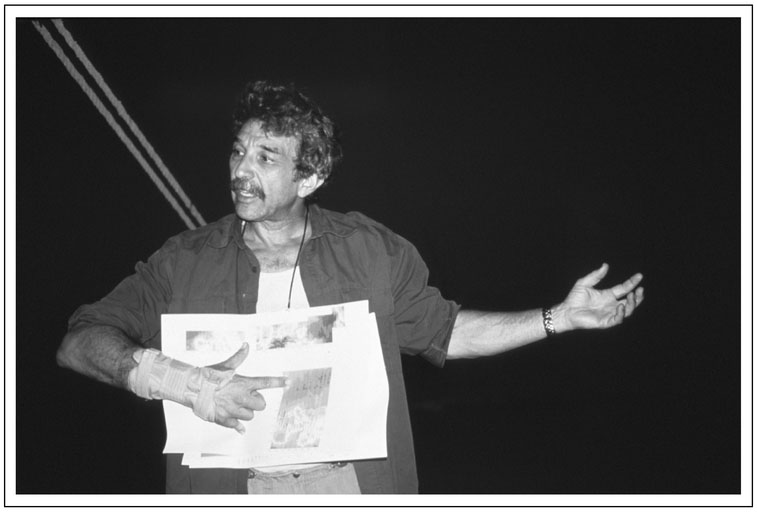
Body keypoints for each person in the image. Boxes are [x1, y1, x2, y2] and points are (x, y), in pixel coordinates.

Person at [57, 80, 644, 495]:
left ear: (310, 176)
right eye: (238, 151)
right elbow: (80, 340)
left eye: (265, 157)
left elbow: (446, 331)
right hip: (225, 489)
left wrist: (556, 318)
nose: (240, 170)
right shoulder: (182, 260)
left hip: (350, 487)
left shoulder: (370, 248)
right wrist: (174, 379)